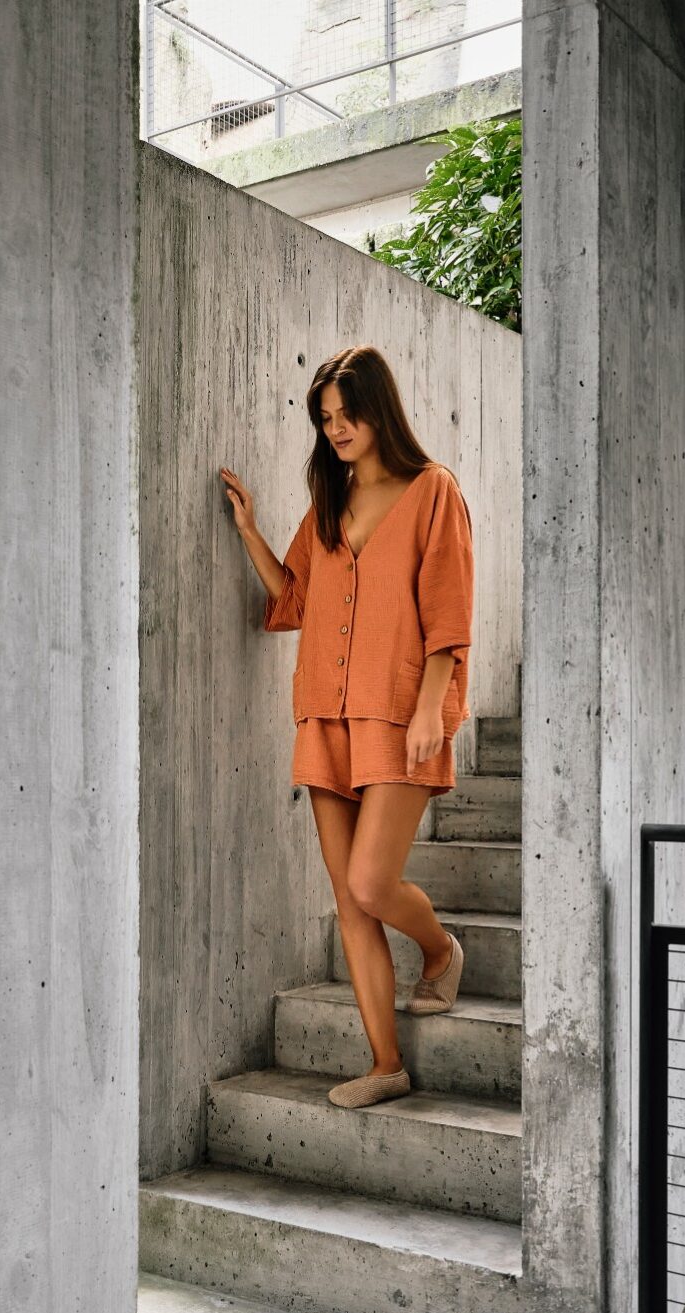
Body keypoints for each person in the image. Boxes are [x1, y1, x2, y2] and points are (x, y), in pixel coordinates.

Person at [220, 344, 474, 1110]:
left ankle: (440, 949)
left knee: (371, 881)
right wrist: (249, 532)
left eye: (346, 414)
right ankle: (385, 1065)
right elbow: (294, 599)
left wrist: (430, 707)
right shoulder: (329, 504)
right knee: (348, 898)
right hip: (324, 715)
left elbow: (449, 612)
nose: (335, 429)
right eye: (324, 418)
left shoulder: (433, 491)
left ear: (378, 410)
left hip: (399, 714)